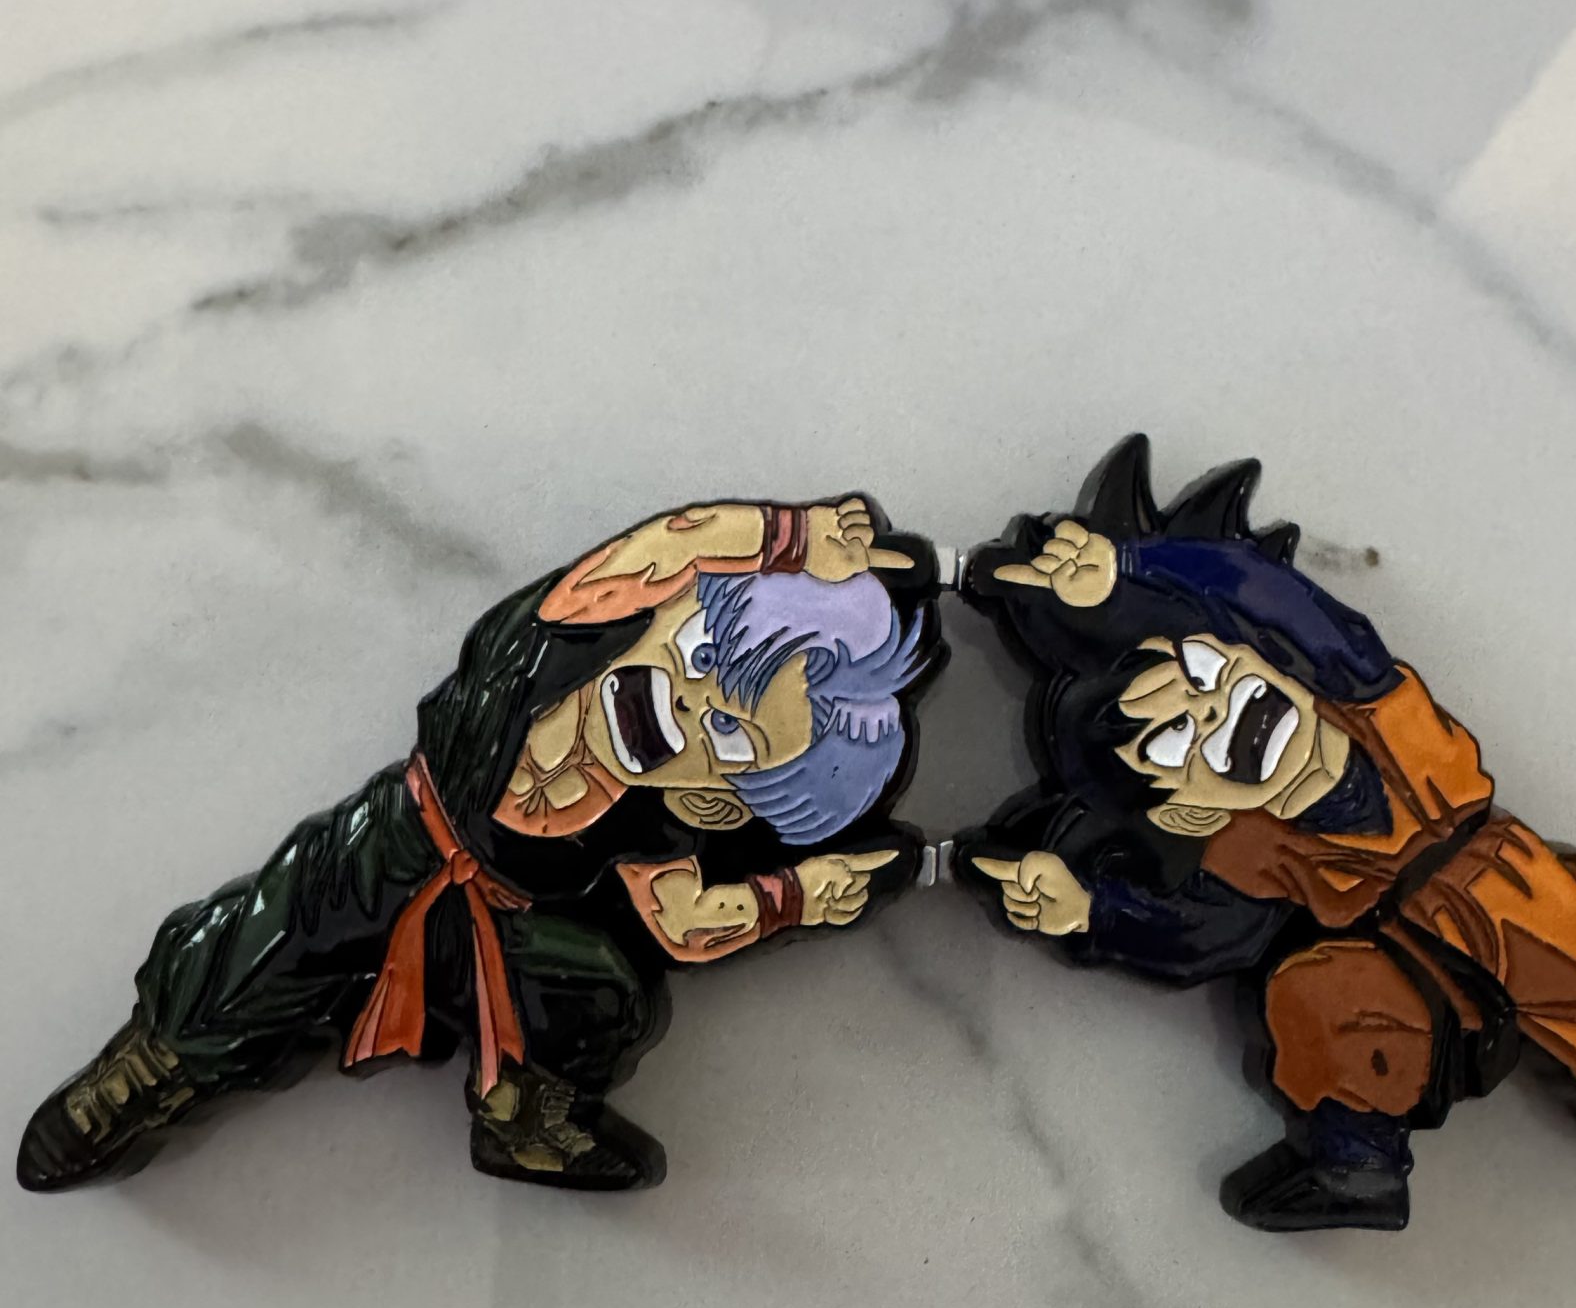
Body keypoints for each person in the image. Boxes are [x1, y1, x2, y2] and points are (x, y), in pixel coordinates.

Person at [959, 436, 1576, 1265]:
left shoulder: (1367, 702)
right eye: (1177, 742)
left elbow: (1280, 602)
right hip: (1393, 954)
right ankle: (1356, 1164)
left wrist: (1125, 576)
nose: (1214, 715)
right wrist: (1090, 910)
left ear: (1254, 662)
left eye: (1205, 679)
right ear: (1190, 808)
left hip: (1507, 892)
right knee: (1318, 994)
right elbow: (1199, 935)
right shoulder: (1246, 857)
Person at [19, 494, 940, 1194]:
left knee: (602, 991)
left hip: (507, 928)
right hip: (394, 840)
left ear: (719, 801)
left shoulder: (660, 826)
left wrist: (800, 895)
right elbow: (670, 543)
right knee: (274, 931)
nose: (692, 702)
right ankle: (153, 1063)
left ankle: (522, 1116)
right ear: (669, 611)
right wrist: (790, 536)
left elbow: (683, 922)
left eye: (732, 737)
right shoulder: (555, 640)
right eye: (705, 654)